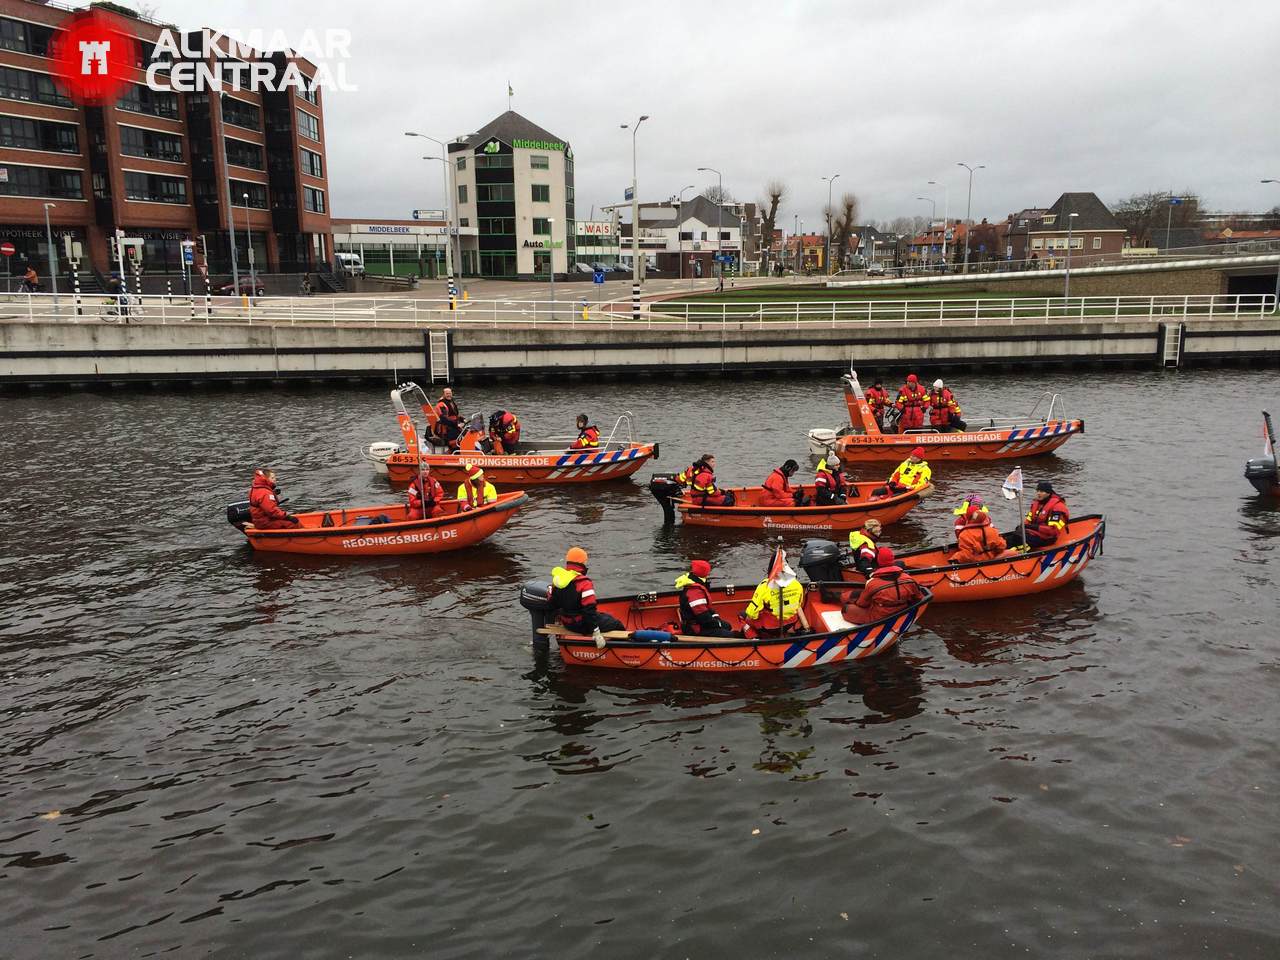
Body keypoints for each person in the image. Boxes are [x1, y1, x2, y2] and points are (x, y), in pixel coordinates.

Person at [550, 546, 625, 634]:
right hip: (581, 625)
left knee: (607, 617)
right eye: (585, 561)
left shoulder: (558, 580)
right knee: (617, 624)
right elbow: (589, 610)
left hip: (567, 623)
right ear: (581, 562)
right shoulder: (584, 583)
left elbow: (553, 603)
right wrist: (595, 630)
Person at [844, 547, 924, 625]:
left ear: (878, 561)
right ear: (892, 560)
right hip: (902, 609)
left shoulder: (873, 583)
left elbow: (862, 604)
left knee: (846, 608)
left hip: (880, 615)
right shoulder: (909, 579)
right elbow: (918, 598)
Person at [741, 559, 805, 638]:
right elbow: (799, 604)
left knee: (742, 615)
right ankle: (785, 633)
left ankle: (755, 638)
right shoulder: (797, 584)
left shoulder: (765, 586)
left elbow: (752, 614)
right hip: (791, 622)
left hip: (771, 626)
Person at [675, 559, 735, 638]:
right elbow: (703, 616)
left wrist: (717, 619)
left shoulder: (695, 585)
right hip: (696, 629)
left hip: (700, 624)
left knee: (727, 626)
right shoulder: (694, 592)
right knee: (731, 634)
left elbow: (707, 610)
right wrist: (719, 624)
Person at [1005, 481, 1070, 549]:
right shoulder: (1036, 504)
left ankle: (1015, 551)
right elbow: (1028, 520)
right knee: (1013, 535)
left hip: (1047, 538)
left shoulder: (1058, 507)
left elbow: (1053, 531)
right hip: (1035, 533)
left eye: (1042, 491)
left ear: (1048, 493)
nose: (1038, 493)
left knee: (1018, 538)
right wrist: (1023, 526)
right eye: (1037, 491)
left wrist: (1032, 527)